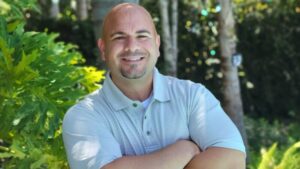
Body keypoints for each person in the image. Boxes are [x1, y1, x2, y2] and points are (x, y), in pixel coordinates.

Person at [62, 3, 246, 169]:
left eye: (142, 35)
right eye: (119, 37)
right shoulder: (83, 116)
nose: (132, 46)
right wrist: (184, 150)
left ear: (157, 44)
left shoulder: (192, 96)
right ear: (103, 49)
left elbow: (233, 160)